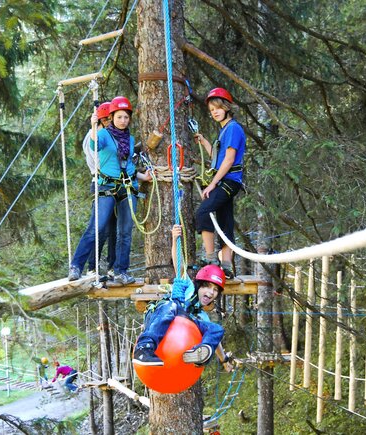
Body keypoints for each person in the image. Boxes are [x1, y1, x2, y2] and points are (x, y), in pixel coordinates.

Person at [68, 96, 152, 284]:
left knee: (125, 232)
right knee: (96, 228)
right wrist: (93, 127)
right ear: (112, 117)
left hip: (127, 186)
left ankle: (121, 271)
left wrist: (141, 176)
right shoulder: (103, 135)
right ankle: (76, 266)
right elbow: (94, 146)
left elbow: (127, 163)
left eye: (126, 117)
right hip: (106, 186)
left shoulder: (129, 139)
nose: (123, 121)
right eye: (119, 117)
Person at [132, 225, 226, 367]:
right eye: (207, 287)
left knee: (216, 329)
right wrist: (175, 239)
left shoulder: (201, 315)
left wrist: (224, 360)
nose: (210, 293)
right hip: (159, 316)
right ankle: (144, 348)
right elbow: (179, 265)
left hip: (180, 326)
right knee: (172, 306)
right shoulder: (188, 287)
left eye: (215, 290)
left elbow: (217, 341)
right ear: (199, 285)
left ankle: (198, 353)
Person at [193, 88, 246, 279]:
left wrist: (212, 184)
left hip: (228, 181)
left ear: (226, 107)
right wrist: (204, 142)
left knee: (203, 211)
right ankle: (226, 264)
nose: (214, 112)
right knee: (225, 221)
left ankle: (210, 258)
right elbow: (217, 157)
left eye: (217, 108)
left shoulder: (233, 128)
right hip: (228, 181)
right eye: (211, 109)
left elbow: (229, 159)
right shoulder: (225, 130)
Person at [83, 102, 117, 277]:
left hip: (112, 184)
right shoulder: (95, 137)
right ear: (102, 120)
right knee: (100, 227)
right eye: (108, 120)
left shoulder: (106, 135)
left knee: (113, 228)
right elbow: (102, 162)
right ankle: (92, 267)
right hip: (102, 182)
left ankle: (112, 267)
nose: (111, 123)